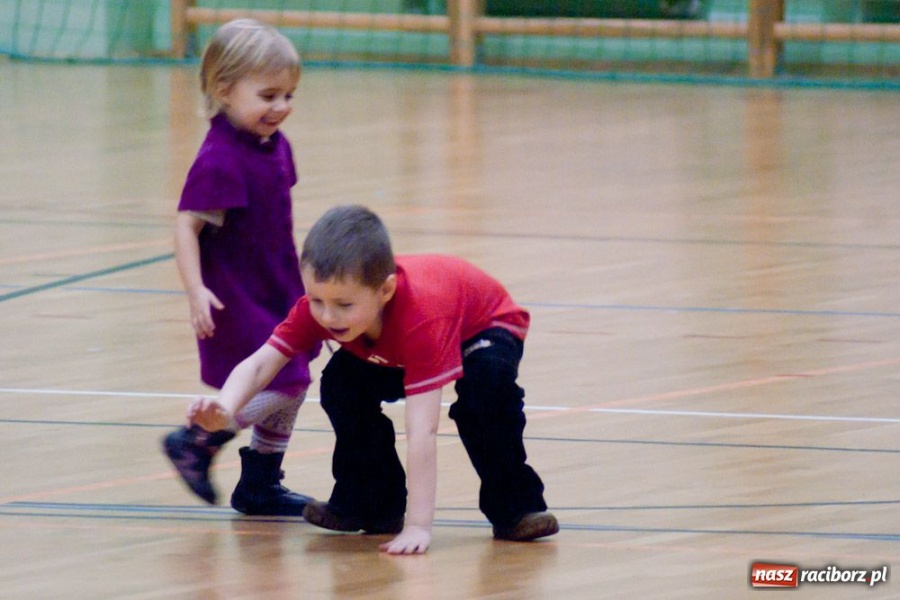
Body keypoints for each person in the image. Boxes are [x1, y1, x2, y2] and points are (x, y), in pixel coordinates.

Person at [190, 204, 558, 554]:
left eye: (343, 305)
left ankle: (516, 509)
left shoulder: (422, 319)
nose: (327, 316)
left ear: (385, 290)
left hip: (482, 327)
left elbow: (422, 432)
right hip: (393, 341)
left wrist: (419, 526)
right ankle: (372, 504)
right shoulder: (321, 309)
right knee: (341, 386)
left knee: (486, 394)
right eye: (316, 299)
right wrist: (225, 407)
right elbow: (260, 364)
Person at [161, 18, 317, 516]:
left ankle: (261, 484)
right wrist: (195, 291)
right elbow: (187, 225)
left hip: (275, 287)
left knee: (291, 381)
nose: (282, 107)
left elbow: (275, 220)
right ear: (224, 89)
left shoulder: (275, 145)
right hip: (235, 297)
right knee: (287, 381)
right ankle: (197, 439)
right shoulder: (220, 159)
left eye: (289, 95)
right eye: (269, 95)